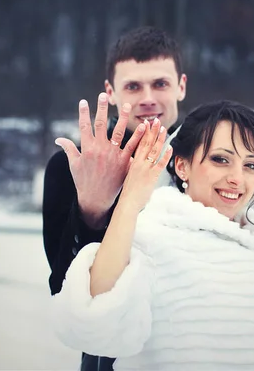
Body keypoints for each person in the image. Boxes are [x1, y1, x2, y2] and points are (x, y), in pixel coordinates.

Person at [52, 100, 254, 370]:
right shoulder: (152, 236)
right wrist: (129, 199)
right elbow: (93, 324)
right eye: (221, 159)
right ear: (182, 165)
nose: (237, 178)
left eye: (251, 165)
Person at [43, 26, 187, 370]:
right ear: (110, 91)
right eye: (133, 86)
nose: (147, 97)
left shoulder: (210, 160)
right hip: (113, 358)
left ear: (181, 86)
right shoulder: (72, 165)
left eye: (160, 84)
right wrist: (92, 211)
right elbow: (64, 288)